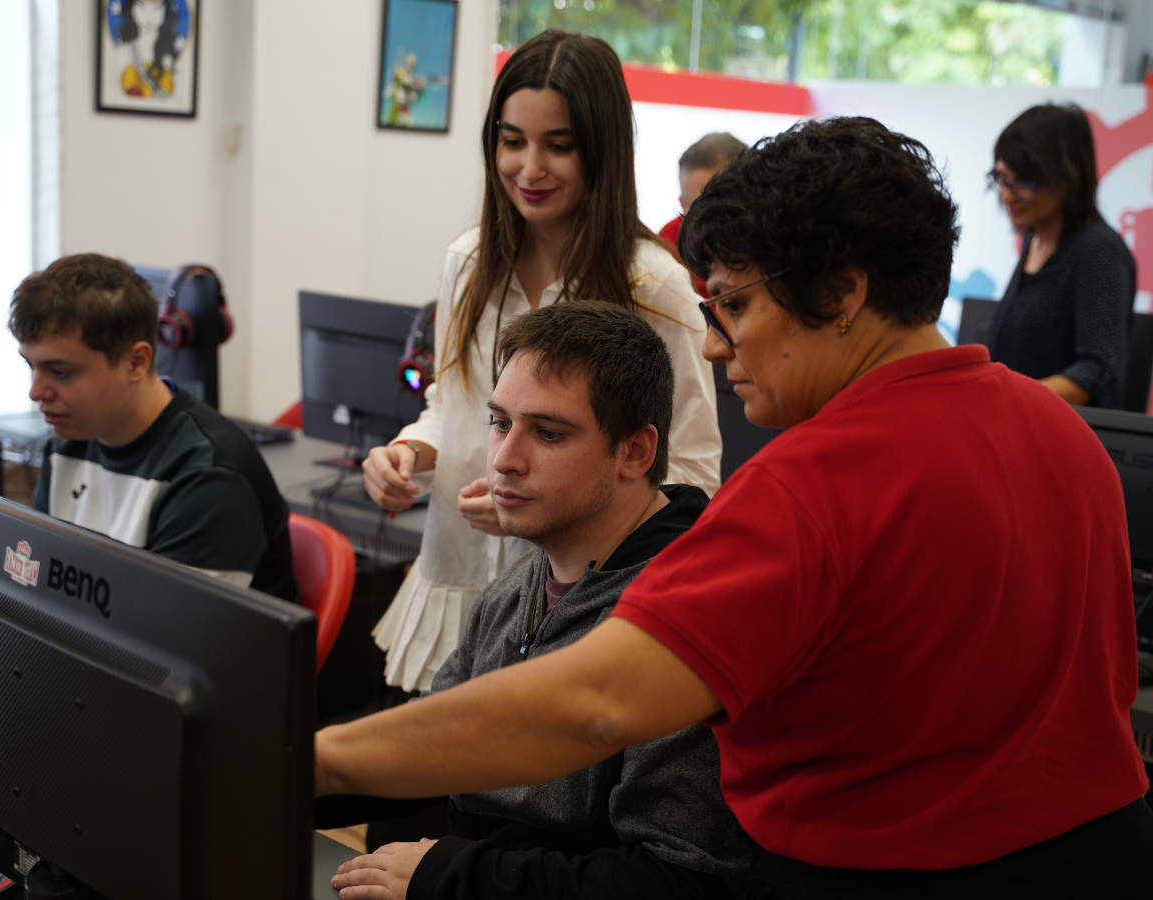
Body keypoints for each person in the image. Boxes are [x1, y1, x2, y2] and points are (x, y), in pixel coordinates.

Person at [316, 117, 1153, 898]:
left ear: (844, 290)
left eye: (737, 305)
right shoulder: (1067, 435)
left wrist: (320, 758)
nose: (715, 345)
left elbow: (595, 703)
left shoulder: (818, 481)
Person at [321, 301, 752, 900]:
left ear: (634, 452)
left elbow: (679, 878)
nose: (504, 459)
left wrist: (449, 876)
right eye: (500, 423)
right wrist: (284, 771)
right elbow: (437, 745)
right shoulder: (520, 583)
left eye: (548, 433)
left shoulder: (685, 618)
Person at [364, 30, 722, 692]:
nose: (529, 168)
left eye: (558, 146)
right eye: (511, 141)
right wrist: (409, 454)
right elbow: (453, 408)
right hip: (457, 577)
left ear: (602, 150)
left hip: (580, 612)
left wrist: (551, 510)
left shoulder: (653, 284)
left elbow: (693, 478)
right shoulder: (468, 263)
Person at [9, 253, 297, 602]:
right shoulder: (68, 444)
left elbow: (166, 643)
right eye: (31, 366)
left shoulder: (209, 478)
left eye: (60, 372)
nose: (36, 391)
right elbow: (42, 589)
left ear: (136, 362)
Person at [986, 102, 1136, 409]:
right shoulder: (1036, 239)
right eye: (1001, 178)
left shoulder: (1099, 251)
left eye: (1022, 184)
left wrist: (1008, 400)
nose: (1007, 194)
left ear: (1069, 177)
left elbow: (1098, 371)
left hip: (1058, 434)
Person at [658, 131, 747, 296]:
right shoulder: (668, 248)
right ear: (683, 205)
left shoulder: (771, 246)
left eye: (725, 205)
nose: (714, 222)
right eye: (700, 209)